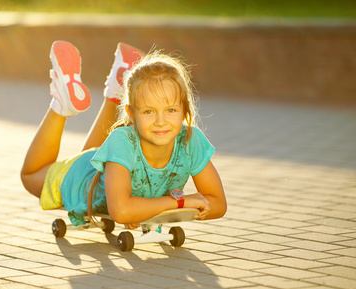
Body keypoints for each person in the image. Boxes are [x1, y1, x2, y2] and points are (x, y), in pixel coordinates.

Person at [20, 40, 227, 230]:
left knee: (94, 156)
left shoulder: (191, 140)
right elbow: (122, 212)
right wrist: (181, 202)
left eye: (171, 110)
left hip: (103, 169)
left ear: (184, 110)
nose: (161, 121)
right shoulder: (122, 140)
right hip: (78, 178)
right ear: (131, 113)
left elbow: (218, 204)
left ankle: (115, 91)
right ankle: (60, 105)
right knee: (30, 176)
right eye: (148, 111)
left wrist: (147, 209)